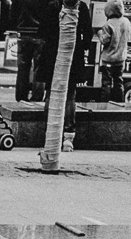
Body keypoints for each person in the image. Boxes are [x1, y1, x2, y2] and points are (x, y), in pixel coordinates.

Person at [37, 0, 91, 150]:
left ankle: (50, 132)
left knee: (50, 92)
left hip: (51, 54)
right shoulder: (81, 6)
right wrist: (82, 48)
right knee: (70, 94)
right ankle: (68, 135)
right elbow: (88, 34)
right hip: (74, 53)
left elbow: (42, 32)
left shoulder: (52, 6)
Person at [96, 1, 131, 103]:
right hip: (121, 59)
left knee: (106, 83)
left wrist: (98, 33)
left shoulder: (108, 24)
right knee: (119, 82)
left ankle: (104, 106)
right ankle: (119, 104)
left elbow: (105, 41)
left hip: (108, 59)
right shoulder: (126, 22)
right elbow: (128, 37)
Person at [11, 0, 46, 102]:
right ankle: (37, 97)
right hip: (41, 33)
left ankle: (21, 96)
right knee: (39, 67)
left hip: (24, 32)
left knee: (23, 67)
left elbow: (13, 12)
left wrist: (16, 27)